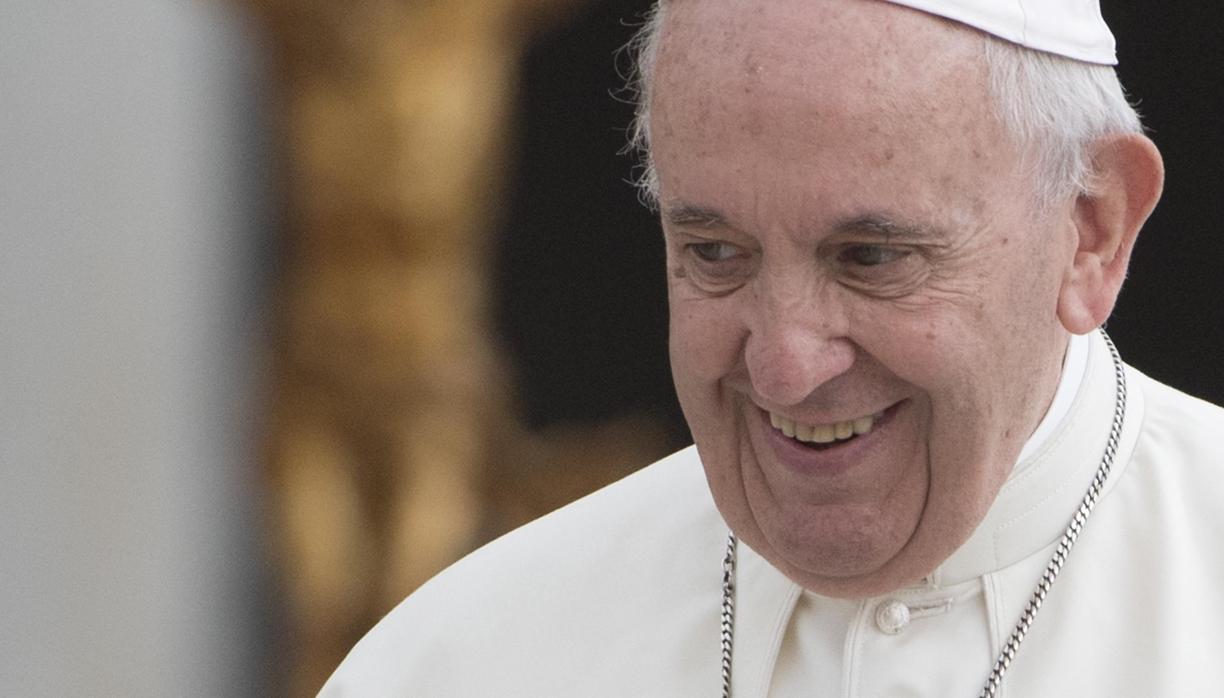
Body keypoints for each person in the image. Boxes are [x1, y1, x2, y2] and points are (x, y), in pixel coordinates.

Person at [321, 0, 1224, 695]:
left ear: (1093, 229)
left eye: (872, 258)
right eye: (716, 254)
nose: (785, 366)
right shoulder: (463, 662)